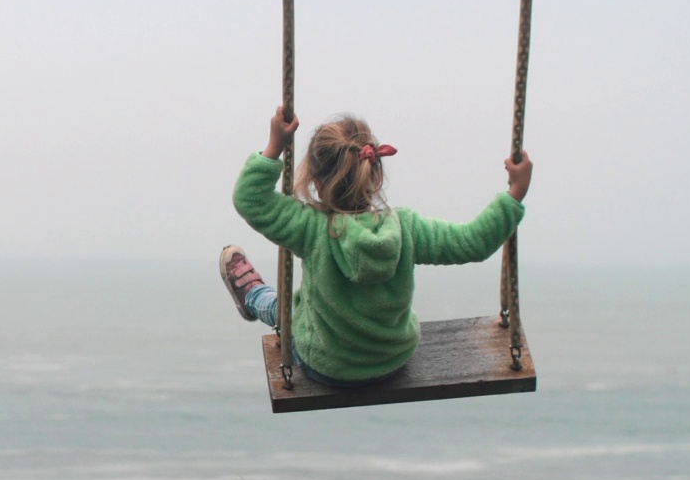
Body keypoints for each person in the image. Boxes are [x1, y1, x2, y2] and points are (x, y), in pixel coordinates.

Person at [221, 108, 532, 387]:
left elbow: (250, 199)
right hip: (392, 360)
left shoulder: (309, 228)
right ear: (376, 171)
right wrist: (515, 193)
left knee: (286, 310)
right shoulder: (407, 229)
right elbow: (474, 243)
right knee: (304, 308)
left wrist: (275, 145)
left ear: (314, 177)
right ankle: (258, 298)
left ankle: (252, 296)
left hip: (327, 366)